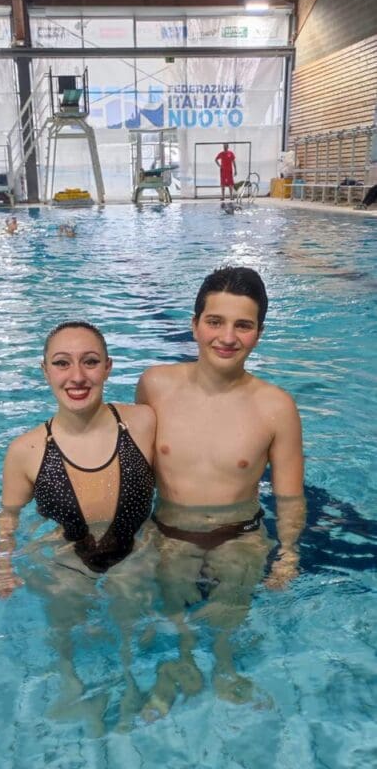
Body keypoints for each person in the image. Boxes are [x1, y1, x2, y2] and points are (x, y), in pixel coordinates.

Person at [136, 266, 305, 716]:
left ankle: (226, 671)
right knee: (173, 619)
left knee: (229, 618)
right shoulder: (155, 385)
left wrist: (288, 554)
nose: (227, 337)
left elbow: (289, 495)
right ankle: (180, 667)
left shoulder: (276, 406)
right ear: (194, 325)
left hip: (240, 536)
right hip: (168, 533)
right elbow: (135, 470)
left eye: (242, 325)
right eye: (215, 322)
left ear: (258, 334)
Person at [0, 320, 155, 598]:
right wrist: (3, 568)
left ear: (108, 367)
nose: (77, 376)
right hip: (65, 563)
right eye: (61, 363)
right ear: (45, 371)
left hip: (137, 557)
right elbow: (8, 517)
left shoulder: (143, 423)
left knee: (133, 620)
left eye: (90, 362)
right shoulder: (25, 451)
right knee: (66, 618)